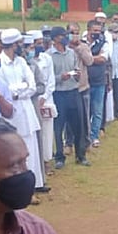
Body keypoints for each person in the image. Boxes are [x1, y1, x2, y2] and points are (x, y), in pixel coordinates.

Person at [0, 28, 46, 196]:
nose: (23, 46)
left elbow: (32, 86)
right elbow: (4, 91)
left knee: (31, 149)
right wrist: (19, 90)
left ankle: (33, 186)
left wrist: (18, 91)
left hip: (27, 110)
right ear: (13, 45)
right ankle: (20, 189)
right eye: (20, 43)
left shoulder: (22, 62)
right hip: (12, 114)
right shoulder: (0, 64)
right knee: (15, 151)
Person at [49, 26, 91, 168]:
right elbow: (48, 79)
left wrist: (77, 74)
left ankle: (81, 155)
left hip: (73, 92)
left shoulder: (71, 53)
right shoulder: (48, 56)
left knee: (78, 125)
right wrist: (61, 77)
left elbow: (76, 69)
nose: (66, 38)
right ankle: (59, 157)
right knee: (59, 127)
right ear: (55, 38)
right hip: (59, 94)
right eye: (62, 36)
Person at [29, 30, 57, 171]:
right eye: (37, 43)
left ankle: (46, 161)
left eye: (41, 43)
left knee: (47, 132)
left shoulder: (47, 58)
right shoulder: (26, 62)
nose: (40, 45)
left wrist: (44, 97)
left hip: (46, 99)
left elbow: (51, 81)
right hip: (31, 101)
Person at [66, 21, 93, 152]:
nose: (74, 36)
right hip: (68, 88)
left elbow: (89, 61)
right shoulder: (64, 48)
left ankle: (86, 142)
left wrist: (79, 49)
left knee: (84, 118)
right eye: (72, 33)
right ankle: (69, 143)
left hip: (82, 87)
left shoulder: (83, 46)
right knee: (68, 119)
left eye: (77, 33)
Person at [83, 20, 109, 148]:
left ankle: (94, 136)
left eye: (99, 31)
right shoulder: (82, 43)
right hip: (85, 82)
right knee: (86, 112)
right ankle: (85, 136)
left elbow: (103, 58)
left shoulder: (104, 43)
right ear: (88, 30)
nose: (97, 33)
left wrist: (88, 58)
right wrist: (95, 57)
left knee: (98, 111)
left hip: (99, 81)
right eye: (95, 31)